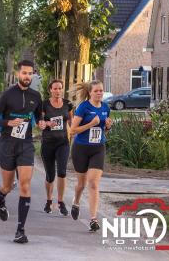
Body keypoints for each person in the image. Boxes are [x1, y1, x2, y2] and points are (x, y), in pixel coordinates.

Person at [0, 60, 42, 244]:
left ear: (33, 75)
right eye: (24, 73)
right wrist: (8, 123)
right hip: (7, 144)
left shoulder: (36, 96)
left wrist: (42, 123)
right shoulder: (7, 95)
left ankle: (20, 229)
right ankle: (1, 196)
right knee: (8, 185)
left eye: (30, 74)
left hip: (25, 144)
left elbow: (39, 117)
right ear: (18, 74)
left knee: (25, 185)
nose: (27, 76)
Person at [69, 80, 112, 232]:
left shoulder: (106, 108)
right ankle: (76, 201)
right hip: (81, 148)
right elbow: (72, 131)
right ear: (90, 93)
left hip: (98, 148)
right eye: (96, 91)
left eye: (101, 90)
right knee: (81, 184)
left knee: (93, 183)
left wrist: (107, 126)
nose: (100, 93)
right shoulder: (83, 107)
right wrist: (90, 124)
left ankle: (93, 219)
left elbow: (103, 130)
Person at [38, 80, 73, 215]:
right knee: (50, 176)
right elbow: (40, 122)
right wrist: (46, 123)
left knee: (62, 172)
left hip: (63, 142)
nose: (58, 91)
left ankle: (61, 202)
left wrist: (75, 129)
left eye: (60, 88)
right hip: (48, 143)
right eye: (55, 89)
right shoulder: (44, 104)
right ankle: (48, 200)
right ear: (50, 90)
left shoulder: (67, 104)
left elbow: (71, 120)